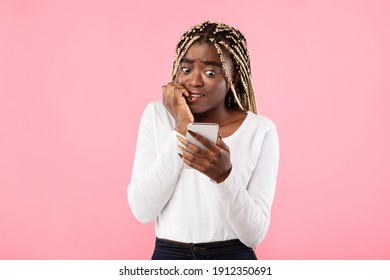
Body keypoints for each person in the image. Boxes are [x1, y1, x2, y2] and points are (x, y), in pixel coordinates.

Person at [127, 21, 279, 260]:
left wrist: (224, 177)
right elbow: (142, 210)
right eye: (186, 70)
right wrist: (181, 127)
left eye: (210, 72)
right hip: (169, 256)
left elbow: (254, 234)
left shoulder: (261, 131)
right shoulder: (157, 116)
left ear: (235, 76)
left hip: (231, 258)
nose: (195, 81)